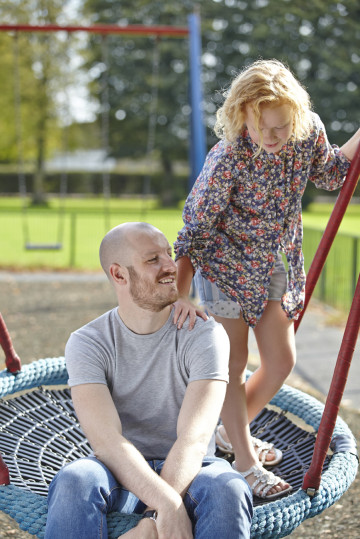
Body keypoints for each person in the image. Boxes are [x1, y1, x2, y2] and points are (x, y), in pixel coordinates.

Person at [173, 59, 360, 499]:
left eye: (282, 126)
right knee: (233, 366)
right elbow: (195, 232)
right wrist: (181, 293)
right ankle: (245, 459)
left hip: (273, 263)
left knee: (280, 362)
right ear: (242, 116)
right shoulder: (226, 160)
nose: (275, 137)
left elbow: (331, 173)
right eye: (264, 128)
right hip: (224, 268)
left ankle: (226, 433)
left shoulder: (305, 129)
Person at [44, 222, 253, 539]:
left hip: (193, 471)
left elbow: (194, 439)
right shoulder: (88, 342)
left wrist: (151, 523)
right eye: (153, 259)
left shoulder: (205, 335)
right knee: (76, 479)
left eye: (168, 254)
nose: (171, 266)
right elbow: (107, 443)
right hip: (119, 471)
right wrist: (167, 507)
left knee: (229, 487)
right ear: (119, 275)